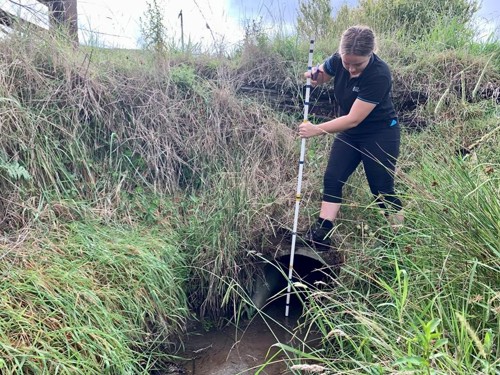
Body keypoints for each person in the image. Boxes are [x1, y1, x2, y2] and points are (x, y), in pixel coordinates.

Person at [299, 25, 403, 250]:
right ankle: (323, 233)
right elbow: (324, 74)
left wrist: (316, 129)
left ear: (371, 54)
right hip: (352, 134)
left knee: (381, 189)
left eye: (358, 64)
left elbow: (353, 118)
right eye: (348, 63)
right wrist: (316, 75)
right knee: (333, 178)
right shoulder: (338, 60)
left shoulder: (379, 74)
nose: (352, 69)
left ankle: (398, 240)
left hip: (380, 133)